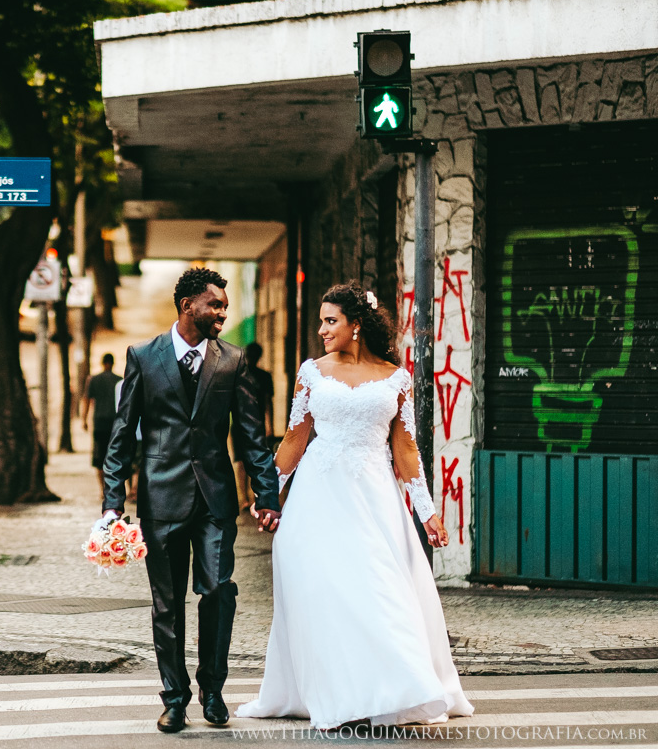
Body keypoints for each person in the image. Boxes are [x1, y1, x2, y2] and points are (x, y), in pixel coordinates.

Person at [236, 281, 474, 730]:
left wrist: (428, 513)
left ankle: (397, 688)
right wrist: (267, 496)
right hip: (317, 499)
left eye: (331, 321)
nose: (322, 330)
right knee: (326, 595)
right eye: (321, 322)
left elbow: (406, 451)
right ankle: (336, 693)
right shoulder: (312, 372)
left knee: (379, 592)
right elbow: (295, 438)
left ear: (356, 326)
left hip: (375, 500)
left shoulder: (395, 377)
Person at [101, 267, 280, 734]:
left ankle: (213, 689)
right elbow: (123, 435)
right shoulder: (143, 356)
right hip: (160, 499)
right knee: (167, 604)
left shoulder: (233, 361)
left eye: (224, 305)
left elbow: (250, 436)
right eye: (215, 305)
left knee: (218, 589)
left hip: (215, 499)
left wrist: (267, 495)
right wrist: (112, 504)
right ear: (188, 306)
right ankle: (175, 698)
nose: (222, 312)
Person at [232, 342, 274, 508]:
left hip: (258, 425)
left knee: (255, 461)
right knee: (241, 461)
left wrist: (269, 425)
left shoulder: (264, 377)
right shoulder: (237, 376)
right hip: (238, 424)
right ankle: (244, 498)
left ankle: (253, 496)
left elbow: (268, 402)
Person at [82, 353, 122, 496]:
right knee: (114, 456)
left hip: (99, 423)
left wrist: (84, 419)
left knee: (99, 458)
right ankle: (113, 488)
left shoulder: (93, 380)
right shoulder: (119, 381)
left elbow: (87, 400)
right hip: (115, 424)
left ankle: (102, 489)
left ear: (102, 363)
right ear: (112, 363)